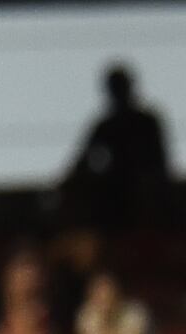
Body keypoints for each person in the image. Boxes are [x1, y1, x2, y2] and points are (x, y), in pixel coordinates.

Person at [58, 64, 175, 239]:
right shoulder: (111, 125)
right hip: (120, 197)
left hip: (141, 195)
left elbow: (161, 163)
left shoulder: (143, 122)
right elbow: (82, 161)